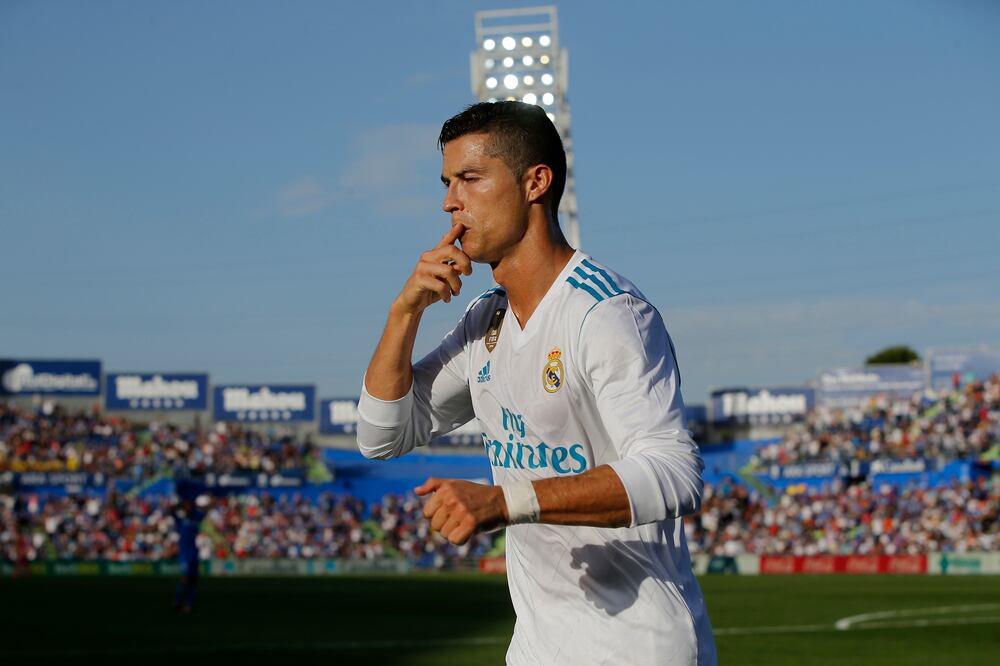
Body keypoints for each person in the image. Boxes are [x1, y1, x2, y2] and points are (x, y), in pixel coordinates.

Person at [356, 101, 716, 665]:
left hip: (636, 647)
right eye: (447, 183)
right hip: (538, 647)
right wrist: (403, 314)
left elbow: (674, 474)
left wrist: (507, 501)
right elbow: (381, 435)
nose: (450, 201)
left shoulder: (607, 312)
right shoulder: (485, 321)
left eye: (471, 178)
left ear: (535, 183)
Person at [172, 483, 207, 613]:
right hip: (185, 554)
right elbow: (171, 510)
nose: (187, 508)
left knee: (193, 580)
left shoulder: (196, 518)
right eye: (185, 506)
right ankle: (178, 602)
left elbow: (205, 510)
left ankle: (189, 605)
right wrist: (181, 503)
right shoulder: (180, 520)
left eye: (189, 505)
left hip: (194, 553)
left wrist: (194, 503)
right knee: (185, 578)